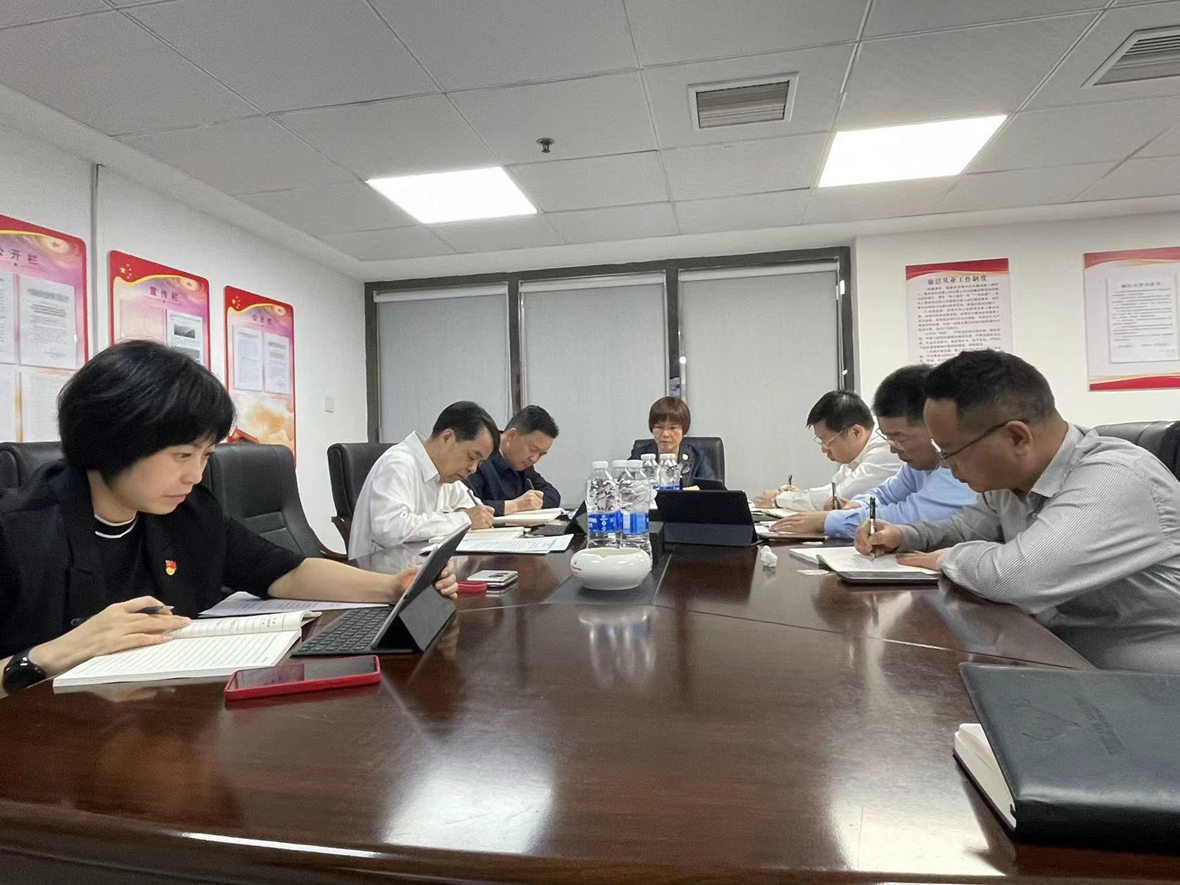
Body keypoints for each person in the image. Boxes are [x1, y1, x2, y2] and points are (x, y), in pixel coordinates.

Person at [0, 340, 457, 696]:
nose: (195, 474)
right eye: (182, 455)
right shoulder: (16, 532)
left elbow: (284, 573)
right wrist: (50, 655)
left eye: (206, 455)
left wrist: (392, 587)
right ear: (112, 441)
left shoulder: (187, 512)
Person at [858, 350, 1180, 673]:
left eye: (951, 452)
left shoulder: (1115, 477)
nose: (945, 466)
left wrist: (946, 558)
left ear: (1016, 436)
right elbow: (966, 528)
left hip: (1147, 684)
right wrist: (904, 535)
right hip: (1061, 659)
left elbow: (1013, 577)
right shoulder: (1010, 481)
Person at [773, 365, 976, 537]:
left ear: (936, 425)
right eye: (889, 438)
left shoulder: (962, 465)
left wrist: (827, 521)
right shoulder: (919, 465)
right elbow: (884, 494)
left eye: (899, 439)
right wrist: (856, 506)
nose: (893, 449)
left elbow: (910, 516)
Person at [349, 401, 499, 557]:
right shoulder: (398, 464)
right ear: (447, 438)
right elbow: (389, 529)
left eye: (479, 463)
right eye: (472, 457)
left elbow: (477, 513)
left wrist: (468, 516)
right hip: (379, 569)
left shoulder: (447, 475)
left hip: (422, 565)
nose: (473, 469)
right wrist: (463, 519)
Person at [753, 390, 899, 510]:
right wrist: (799, 495)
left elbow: (838, 497)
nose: (824, 449)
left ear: (855, 432)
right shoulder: (856, 456)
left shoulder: (885, 450)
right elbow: (835, 488)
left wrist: (779, 499)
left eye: (827, 441)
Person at [465, 405, 561, 515]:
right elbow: (469, 507)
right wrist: (516, 505)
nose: (534, 459)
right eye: (533, 449)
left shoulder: (523, 464)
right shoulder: (479, 458)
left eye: (541, 454)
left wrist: (533, 502)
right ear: (512, 435)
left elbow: (553, 495)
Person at [629, 396, 719, 488]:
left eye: (673, 428)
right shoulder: (639, 455)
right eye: (659, 427)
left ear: (684, 430)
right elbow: (626, 487)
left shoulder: (697, 457)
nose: (665, 434)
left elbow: (712, 492)